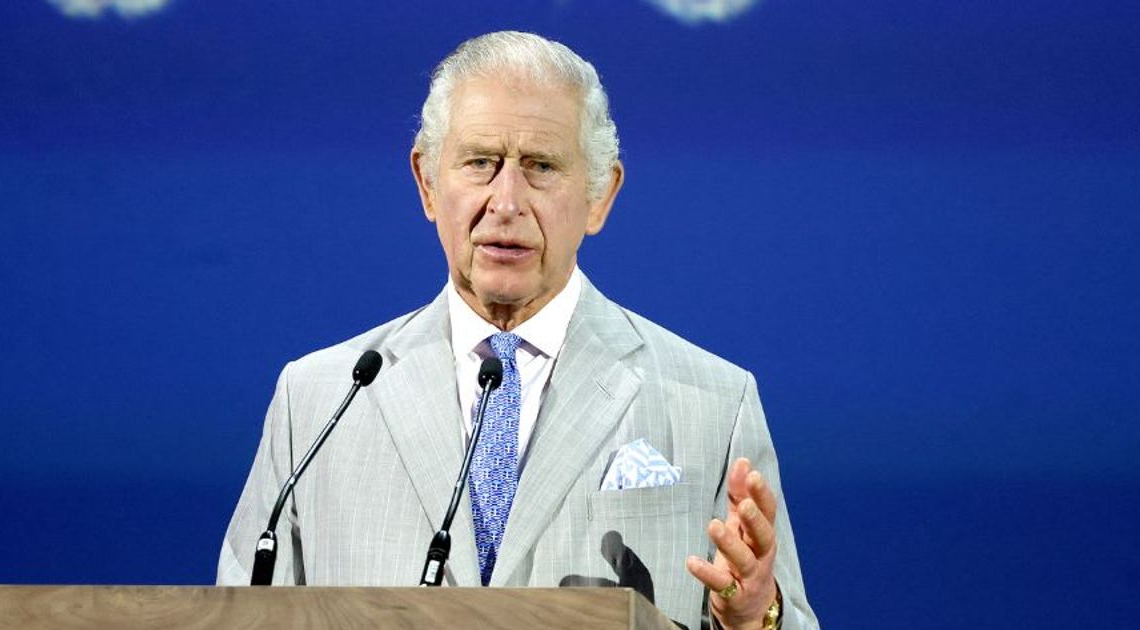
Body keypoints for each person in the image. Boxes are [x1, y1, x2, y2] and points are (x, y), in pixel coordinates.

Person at [218, 31, 819, 630]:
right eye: (480, 162)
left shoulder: (713, 404)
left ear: (600, 196)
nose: (506, 202)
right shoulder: (320, 401)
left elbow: (778, 615)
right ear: (427, 183)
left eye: (541, 166)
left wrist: (756, 618)